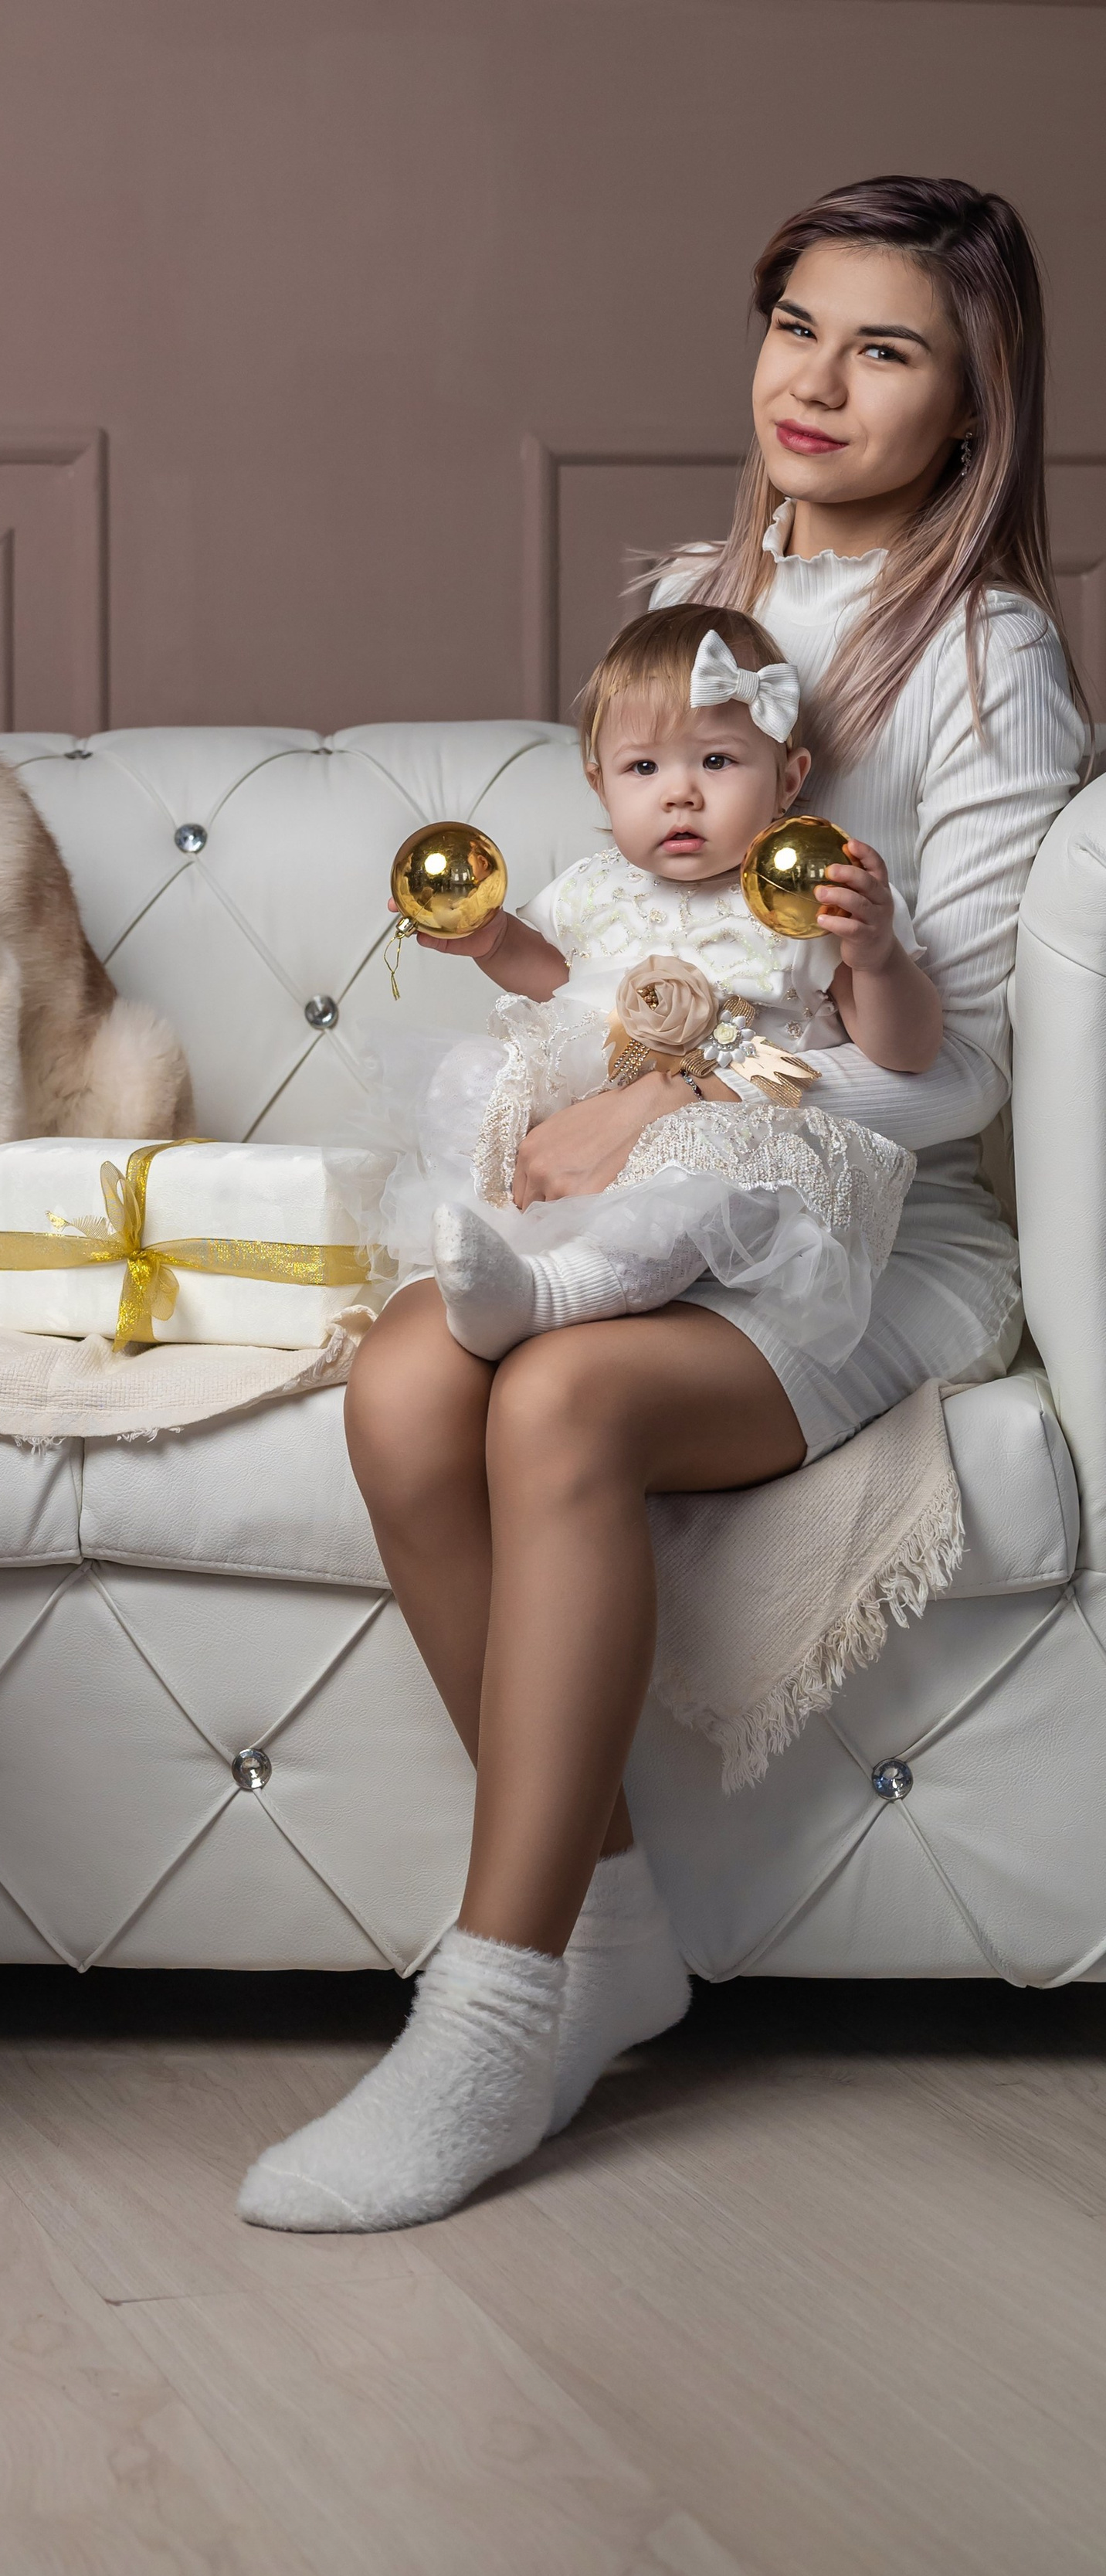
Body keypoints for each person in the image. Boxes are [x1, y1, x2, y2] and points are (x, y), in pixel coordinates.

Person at [238, 176, 1086, 2235]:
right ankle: (611, 1925)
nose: (820, 378)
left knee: (558, 1403)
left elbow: (952, 1076)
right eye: (799, 324)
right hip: (672, 1149)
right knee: (407, 1384)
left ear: (972, 406)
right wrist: (590, 1041)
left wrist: (673, 1093)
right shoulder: (699, 587)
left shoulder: (986, 664)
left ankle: (492, 2003)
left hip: (871, 1213)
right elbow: (652, 919)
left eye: (887, 347)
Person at [397, 600, 921, 1371]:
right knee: (467, 1074)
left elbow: (905, 1049)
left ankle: (549, 1295)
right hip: (581, 1118)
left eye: (716, 760)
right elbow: (557, 982)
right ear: (599, 784)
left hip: (718, 1121)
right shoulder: (591, 886)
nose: (679, 793)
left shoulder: (810, 894)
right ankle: (486, 1235)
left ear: (789, 779)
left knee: (688, 1178)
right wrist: (497, 939)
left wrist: (875, 957)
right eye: (644, 768)